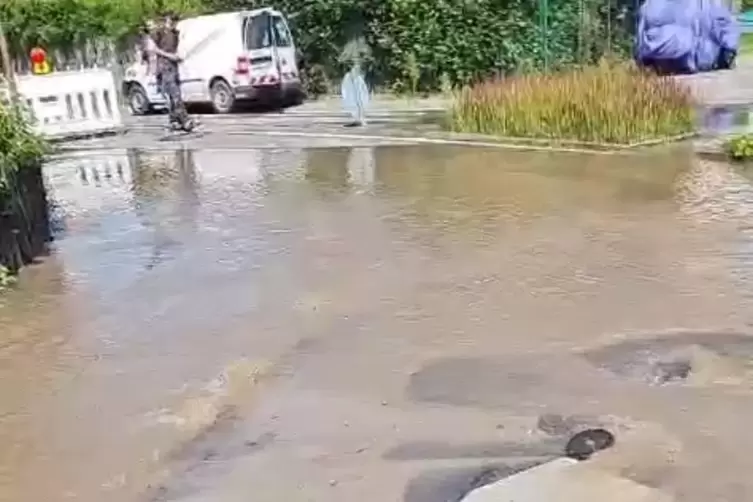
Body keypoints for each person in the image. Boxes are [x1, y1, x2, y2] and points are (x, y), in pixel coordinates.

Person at [150, 12, 195, 132]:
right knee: (175, 95)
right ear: (166, 21)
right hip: (164, 67)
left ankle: (174, 120)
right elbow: (153, 49)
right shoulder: (158, 33)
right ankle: (185, 120)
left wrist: (178, 57)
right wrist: (169, 56)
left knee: (173, 95)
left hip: (173, 66)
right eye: (171, 21)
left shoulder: (175, 34)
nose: (173, 24)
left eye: (175, 21)